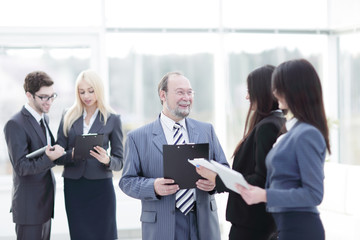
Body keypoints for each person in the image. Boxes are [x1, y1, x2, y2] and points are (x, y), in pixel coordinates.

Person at [119, 71, 228, 240]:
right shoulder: (137, 138)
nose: (187, 97)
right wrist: (153, 186)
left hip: (203, 223)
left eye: (189, 92)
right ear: (163, 95)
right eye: (180, 92)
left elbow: (225, 170)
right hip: (162, 225)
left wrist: (214, 181)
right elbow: (126, 181)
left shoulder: (206, 130)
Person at [236, 59, 331, 240]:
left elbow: (313, 194)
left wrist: (264, 195)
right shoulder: (293, 130)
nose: (274, 93)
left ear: (295, 90)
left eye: (278, 87)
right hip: (285, 227)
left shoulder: (307, 134)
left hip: (300, 229)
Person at [196, 65, 285, 240]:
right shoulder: (277, 121)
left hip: (253, 224)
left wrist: (216, 178)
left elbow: (261, 180)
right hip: (263, 222)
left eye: (250, 90)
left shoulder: (267, 127)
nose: (246, 96)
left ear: (262, 91)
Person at [56, 69, 123, 240]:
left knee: (105, 234)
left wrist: (107, 160)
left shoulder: (112, 118)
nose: (86, 95)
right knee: (79, 234)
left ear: (99, 90)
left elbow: (120, 161)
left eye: (91, 91)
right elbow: (58, 154)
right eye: (82, 91)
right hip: (74, 186)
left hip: (101, 186)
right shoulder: (68, 115)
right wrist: (73, 154)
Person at [3, 71, 65, 240]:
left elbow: (49, 151)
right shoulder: (15, 124)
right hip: (29, 207)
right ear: (29, 95)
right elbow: (21, 167)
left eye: (52, 96)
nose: (49, 101)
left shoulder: (42, 119)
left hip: (44, 204)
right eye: (44, 97)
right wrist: (50, 158)